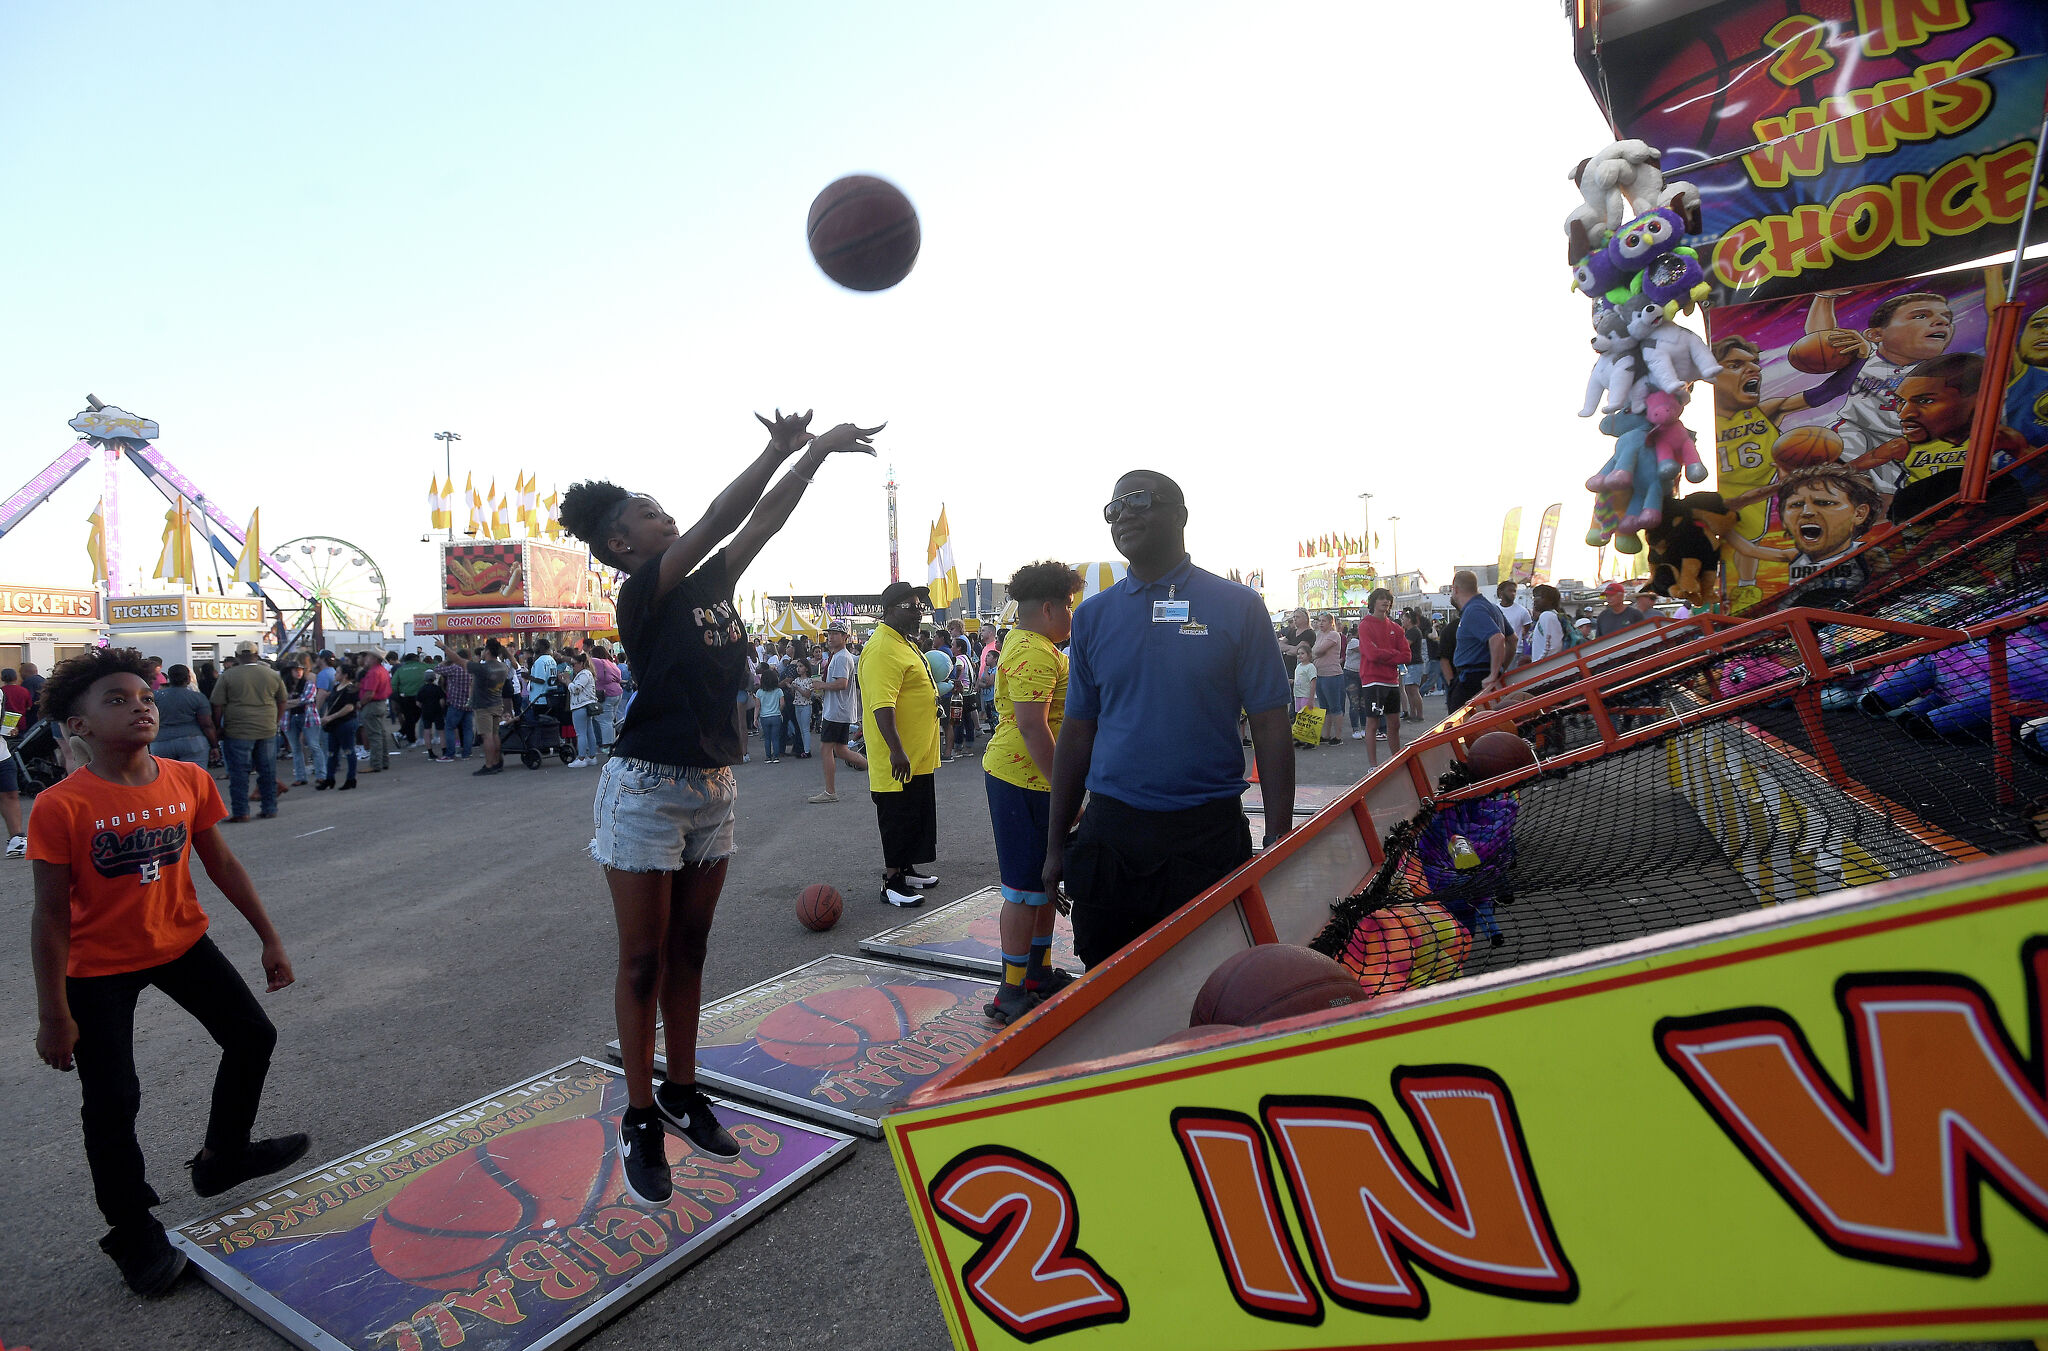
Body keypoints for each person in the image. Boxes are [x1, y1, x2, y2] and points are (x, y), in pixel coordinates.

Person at [558, 408, 881, 1209]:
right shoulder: (645, 590)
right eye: (645, 511)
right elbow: (720, 516)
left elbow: (761, 520)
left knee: (692, 951)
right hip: (645, 789)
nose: (662, 513)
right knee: (643, 957)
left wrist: (817, 457)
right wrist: (777, 446)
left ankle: (683, 1088)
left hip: (713, 786)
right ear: (623, 544)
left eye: (661, 505)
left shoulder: (712, 583)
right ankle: (639, 1114)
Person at [28, 647, 304, 1296]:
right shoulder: (61, 806)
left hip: (180, 943)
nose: (140, 706)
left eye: (144, 696)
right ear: (81, 724)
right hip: (96, 966)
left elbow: (224, 865)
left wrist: (270, 939)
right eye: (116, 700)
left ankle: (221, 1156)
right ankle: (131, 1229)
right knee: (114, 1099)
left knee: (252, 1036)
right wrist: (53, 1014)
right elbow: (47, 919)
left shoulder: (186, 778)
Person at [1047, 470, 1294, 969]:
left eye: (1139, 501)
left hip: (1205, 838)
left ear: (1180, 515)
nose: (1123, 515)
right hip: (1112, 835)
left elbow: (1270, 726)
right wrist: (1054, 847)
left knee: (1207, 984)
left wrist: (1279, 838)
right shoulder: (1093, 617)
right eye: (1113, 509)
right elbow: (1077, 732)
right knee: (1108, 989)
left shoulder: (1238, 607)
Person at [980, 562, 1083, 1024]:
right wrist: (1066, 786)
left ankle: (1037, 973)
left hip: (1035, 780)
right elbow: (1030, 725)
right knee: (1023, 889)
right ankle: (1010, 991)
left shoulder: (1028, 644)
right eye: (1069, 605)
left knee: (1044, 883)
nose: (1072, 615)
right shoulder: (1035, 652)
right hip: (1022, 780)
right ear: (1048, 607)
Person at [862, 581, 945, 908]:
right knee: (896, 816)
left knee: (915, 813)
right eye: (911, 607)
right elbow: (882, 706)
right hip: (898, 756)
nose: (919, 613)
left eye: (920, 607)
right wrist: (896, 749)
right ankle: (892, 881)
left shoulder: (903, 642)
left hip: (918, 753)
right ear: (890, 610)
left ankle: (908, 869)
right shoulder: (882, 648)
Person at [210, 643, 286, 822]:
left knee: (239, 773)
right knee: (267, 770)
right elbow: (282, 701)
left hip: (237, 729)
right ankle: (269, 808)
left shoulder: (228, 675)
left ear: (237, 656)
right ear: (256, 655)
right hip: (266, 728)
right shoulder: (272, 675)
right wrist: (275, 721)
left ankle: (241, 812)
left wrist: (218, 726)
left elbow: (217, 704)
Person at [808, 622, 868, 804]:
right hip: (839, 710)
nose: (831, 637)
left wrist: (821, 685)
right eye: (829, 634)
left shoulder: (841, 657)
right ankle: (871, 766)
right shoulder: (838, 656)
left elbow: (842, 683)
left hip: (836, 711)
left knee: (826, 749)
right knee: (841, 750)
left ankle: (830, 791)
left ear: (845, 638)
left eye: (835, 634)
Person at [1443, 570, 1509, 714]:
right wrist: (1500, 669)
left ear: (1456, 589)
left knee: (1459, 728)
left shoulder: (1474, 610)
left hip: (1473, 679)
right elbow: (1513, 639)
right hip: (1478, 677)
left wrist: (1493, 673)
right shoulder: (1492, 608)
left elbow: (1497, 639)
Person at [1355, 589, 1409, 762]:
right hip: (1373, 680)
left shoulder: (1396, 628)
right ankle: (1373, 765)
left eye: (1387, 599)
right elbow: (1371, 654)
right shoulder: (1365, 625)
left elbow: (1407, 656)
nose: (1385, 602)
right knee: (1373, 723)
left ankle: (1396, 761)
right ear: (1373, 603)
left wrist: (1383, 654)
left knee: (1394, 723)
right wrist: (1393, 654)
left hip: (1392, 681)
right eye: (1381, 599)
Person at [150, 665, 217, 767]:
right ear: (188, 678)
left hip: (161, 742)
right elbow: (207, 724)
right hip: (192, 741)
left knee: (167, 779)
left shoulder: (157, 697)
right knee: (194, 778)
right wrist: (214, 745)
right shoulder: (197, 697)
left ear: (169, 678)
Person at [467, 639, 512, 775]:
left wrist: (444, 648)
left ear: (487, 651)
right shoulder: (503, 667)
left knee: (487, 736)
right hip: (496, 703)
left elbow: (459, 660)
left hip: (483, 705)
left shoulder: (482, 667)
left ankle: (489, 764)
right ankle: (498, 761)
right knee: (494, 734)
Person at [317, 668, 360, 791]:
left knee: (348, 750)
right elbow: (330, 704)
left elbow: (349, 707)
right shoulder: (336, 687)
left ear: (345, 675)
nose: (335, 674)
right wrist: (326, 717)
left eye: (338, 672)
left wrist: (330, 717)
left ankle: (351, 778)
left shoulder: (350, 689)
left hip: (345, 723)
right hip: (334, 724)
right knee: (331, 753)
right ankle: (329, 778)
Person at [1310, 613, 1346, 747]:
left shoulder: (1333, 635)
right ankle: (1326, 734)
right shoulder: (1320, 635)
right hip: (1320, 673)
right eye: (1319, 621)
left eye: (1323, 621)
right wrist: (1315, 652)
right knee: (1324, 707)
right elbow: (1314, 651)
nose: (1320, 623)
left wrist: (1315, 653)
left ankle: (1338, 736)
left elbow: (1317, 651)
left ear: (1331, 622)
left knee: (1335, 706)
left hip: (1332, 675)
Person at [356, 650, 393, 772]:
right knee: (380, 733)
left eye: (368, 657)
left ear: (374, 659)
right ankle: (383, 761)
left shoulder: (373, 672)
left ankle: (375, 763)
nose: (366, 658)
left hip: (372, 705)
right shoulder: (382, 670)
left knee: (375, 735)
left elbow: (369, 693)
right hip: (380, 703)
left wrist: (360, 703)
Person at [434, 648, 473, 761]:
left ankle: (450, 754)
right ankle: (467, 753)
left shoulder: (454, 668)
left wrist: (447, 660)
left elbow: (437, 669)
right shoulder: (472, 668)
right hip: (469, 703)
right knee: (467, 729)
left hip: (456, 702)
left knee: (450, 728)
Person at [566, 650, 601, 768]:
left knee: (581, 733)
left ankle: (581, 757)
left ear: (581, 663)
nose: (572, 667)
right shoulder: (587, 673)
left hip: (580, 705)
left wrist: (567, 682)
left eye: (574, 664)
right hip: (587, 705)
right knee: (589, 731)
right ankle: (591, 756)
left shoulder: (584, 674)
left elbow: (576, 689)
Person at [391, 652, 430, 746]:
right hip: (420, 696)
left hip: (404, 696)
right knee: (415, 716)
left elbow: (393, 684)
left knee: (409, 718)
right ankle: (409, 739)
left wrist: (396, 696)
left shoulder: (400, 669)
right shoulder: (423, 667)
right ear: (416, 659)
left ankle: (402, 734)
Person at [1527, 584, 1569, 663]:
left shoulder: (1547, 616)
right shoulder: (1550, 615)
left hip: (1544, 667)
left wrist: (1538, 663)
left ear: (1550, 600)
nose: (1534, 600)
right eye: (1533, 597)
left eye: (1538, 597)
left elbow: (1553, 647)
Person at [1400, 609, 1428, 721]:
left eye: (1404, 619)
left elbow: (1405, 645)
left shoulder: (1413, 631)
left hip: (1415, 664)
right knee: (1408, 689)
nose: (1403, 621)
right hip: (1409, 664)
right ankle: (1412, 714)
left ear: (1409, 620)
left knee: (1414, 689)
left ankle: (1419, 714)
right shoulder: (1410, 631)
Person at [1496, 581, 1531, 667]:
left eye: (1514, 591)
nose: (1513, 593)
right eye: (1509, 591)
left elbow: (1527, 629)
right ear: (1501, 592)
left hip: (1515, 652)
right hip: (1497, 651)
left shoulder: (1522, 611)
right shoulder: (1495, 609)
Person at [756, 665, 787, 763]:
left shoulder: (759, 692)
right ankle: (776, 756)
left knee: (767, 738)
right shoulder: (779, 691)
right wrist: (779, 710)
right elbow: (782, 704)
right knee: (775, 737)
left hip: (764, 717)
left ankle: (768, 757)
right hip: (776, 716)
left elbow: (757, 706)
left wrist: (755, 718)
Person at [787, 658, 817, 759]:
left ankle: (807, 750)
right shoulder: (796, 680)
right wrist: (791, 687)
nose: (798, 669)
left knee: (805, 729)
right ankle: (803, 749)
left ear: (806, 668)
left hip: (806, 706)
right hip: (797, 705)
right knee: (800, 728)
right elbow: (793, 693)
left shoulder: (809, 681)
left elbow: (807, 694)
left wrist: (797, 688)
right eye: (797, 666)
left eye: (801, 666)